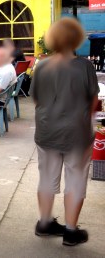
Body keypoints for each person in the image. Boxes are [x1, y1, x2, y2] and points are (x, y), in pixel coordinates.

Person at [30, 18, 98, 246]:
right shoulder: (85, 66)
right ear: (77, 39)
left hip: (46, 131)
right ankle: (70, 231)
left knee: (47, 177)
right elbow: (93, 103)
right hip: (76, 134)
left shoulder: (42, 66)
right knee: (76, 179)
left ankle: (45, 223)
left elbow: (36, 99)